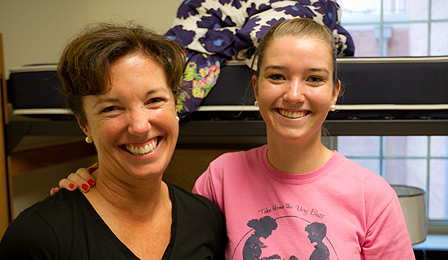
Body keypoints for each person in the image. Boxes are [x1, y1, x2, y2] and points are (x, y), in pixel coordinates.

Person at [50, 18, 415, 259]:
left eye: (314, 79)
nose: (293, 94)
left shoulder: (373, 197)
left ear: (335, 93)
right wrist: (98, 181)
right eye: (276, 76)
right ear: (255, 88)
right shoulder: (220, 177)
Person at [0, 23, 226, 259]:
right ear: (84, 123)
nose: (139, 126)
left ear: (176, 106)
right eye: (111, 108)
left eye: (154, 100)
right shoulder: (38, 237)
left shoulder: (205, 218)